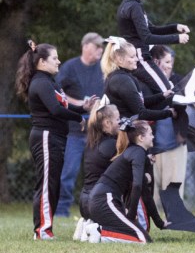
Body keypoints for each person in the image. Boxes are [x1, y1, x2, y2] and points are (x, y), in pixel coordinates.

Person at [15, 41, 96, 240]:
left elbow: (65, 105)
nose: (59, 61)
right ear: (41, 62)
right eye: (54, 58)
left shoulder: (50, 81)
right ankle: (42, 231)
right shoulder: (40, 82)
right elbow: (56, 110)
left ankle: (46, 228)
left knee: (53, 184)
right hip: (45, 136)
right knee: (46, 185)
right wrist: (78, 119)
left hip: (55, 138)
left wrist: (83, 108)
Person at [86, 119, 168, 243]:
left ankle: (91, 229)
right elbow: (137, 186)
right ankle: (98, 232)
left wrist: (160, 223)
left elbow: (145, 194)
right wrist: (131, 214)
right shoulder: (138, 152)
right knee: (141, 238)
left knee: (141, 236)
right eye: (150, 134)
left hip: (101, 200)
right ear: (141, 138)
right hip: (105, 199)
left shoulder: (137, 153)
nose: (153, 136)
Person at [117, 0, 190, 95]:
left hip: (140, 55)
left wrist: (175, 27)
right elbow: (147, 38)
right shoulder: (134, 7)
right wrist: (177, 39)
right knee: (168, 92)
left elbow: (152, 29)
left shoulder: (133, 5)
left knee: (166, 92)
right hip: (139, 57)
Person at [55, 32, 105, 217]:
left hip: (98, 131)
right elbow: (57, 93)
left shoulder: (103, 69)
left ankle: (98, 210)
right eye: (96, 46)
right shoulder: (69, 67)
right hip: (75, 130)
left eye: (102, 47)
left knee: (99, 174)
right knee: (68, 173)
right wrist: (80, 104)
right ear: (85, 46)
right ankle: (61, 210)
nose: (100, 50)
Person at [149, 45, 189, 210]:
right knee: (150, 188)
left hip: (174, 144)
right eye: (166, 61)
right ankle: (150, 219)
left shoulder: (179, 82)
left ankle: (174, 218)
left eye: (171, 61)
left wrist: (183, 133)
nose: (169, 65)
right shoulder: (146, 83)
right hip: (151, 145)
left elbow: (186, 109)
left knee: (173, 186)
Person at [74, 100, 119, 241]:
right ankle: (97, 229)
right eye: (118, 119)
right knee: (128, 230)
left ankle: (86, 223)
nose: (121, 122)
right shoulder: (111, 145)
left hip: (84, 201)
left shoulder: (91, 143)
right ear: (107, 123)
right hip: (98, 203)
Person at [101, 37, 174, 122]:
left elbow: (138, 102)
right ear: (120, 59)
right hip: (124, 132)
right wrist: (169, 113)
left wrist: (162, 95)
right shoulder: (121, 80)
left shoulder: (121, 77)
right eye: (132, 57)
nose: (137, 59)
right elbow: (141, 113)